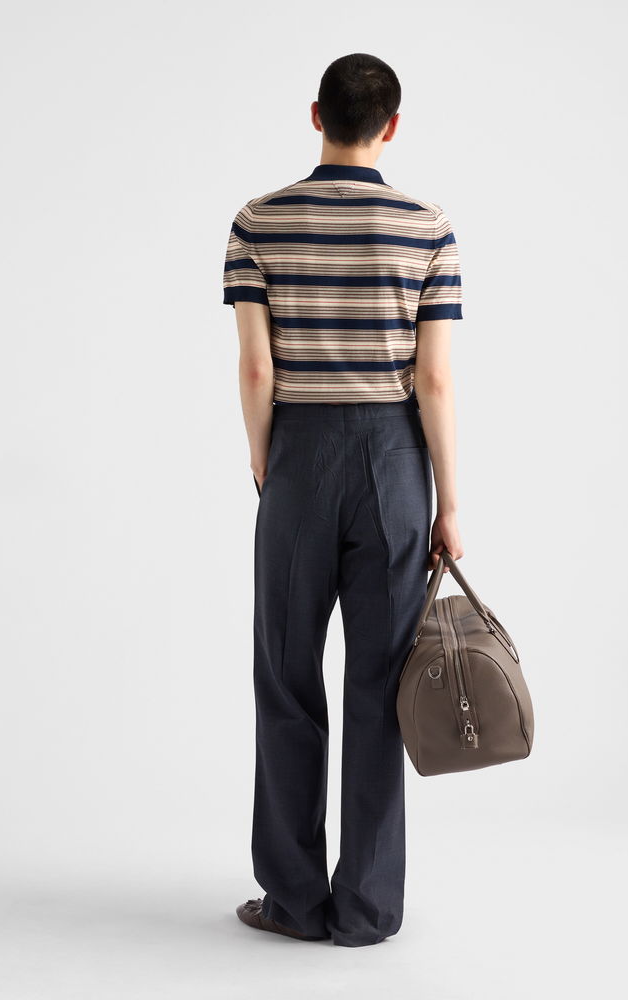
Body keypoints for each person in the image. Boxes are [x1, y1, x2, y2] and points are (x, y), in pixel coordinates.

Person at [222, 52, 465, 947]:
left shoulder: (259, 221)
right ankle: (366, 908)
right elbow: (434, 381)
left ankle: (294, 901)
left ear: (316, 114)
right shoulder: (427, 227)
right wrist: (448, 502)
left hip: (299, 459)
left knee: (287, 678)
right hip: (394, 465)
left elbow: (257, 367)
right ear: (391, 126)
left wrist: (265, 460)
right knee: (380, 684)